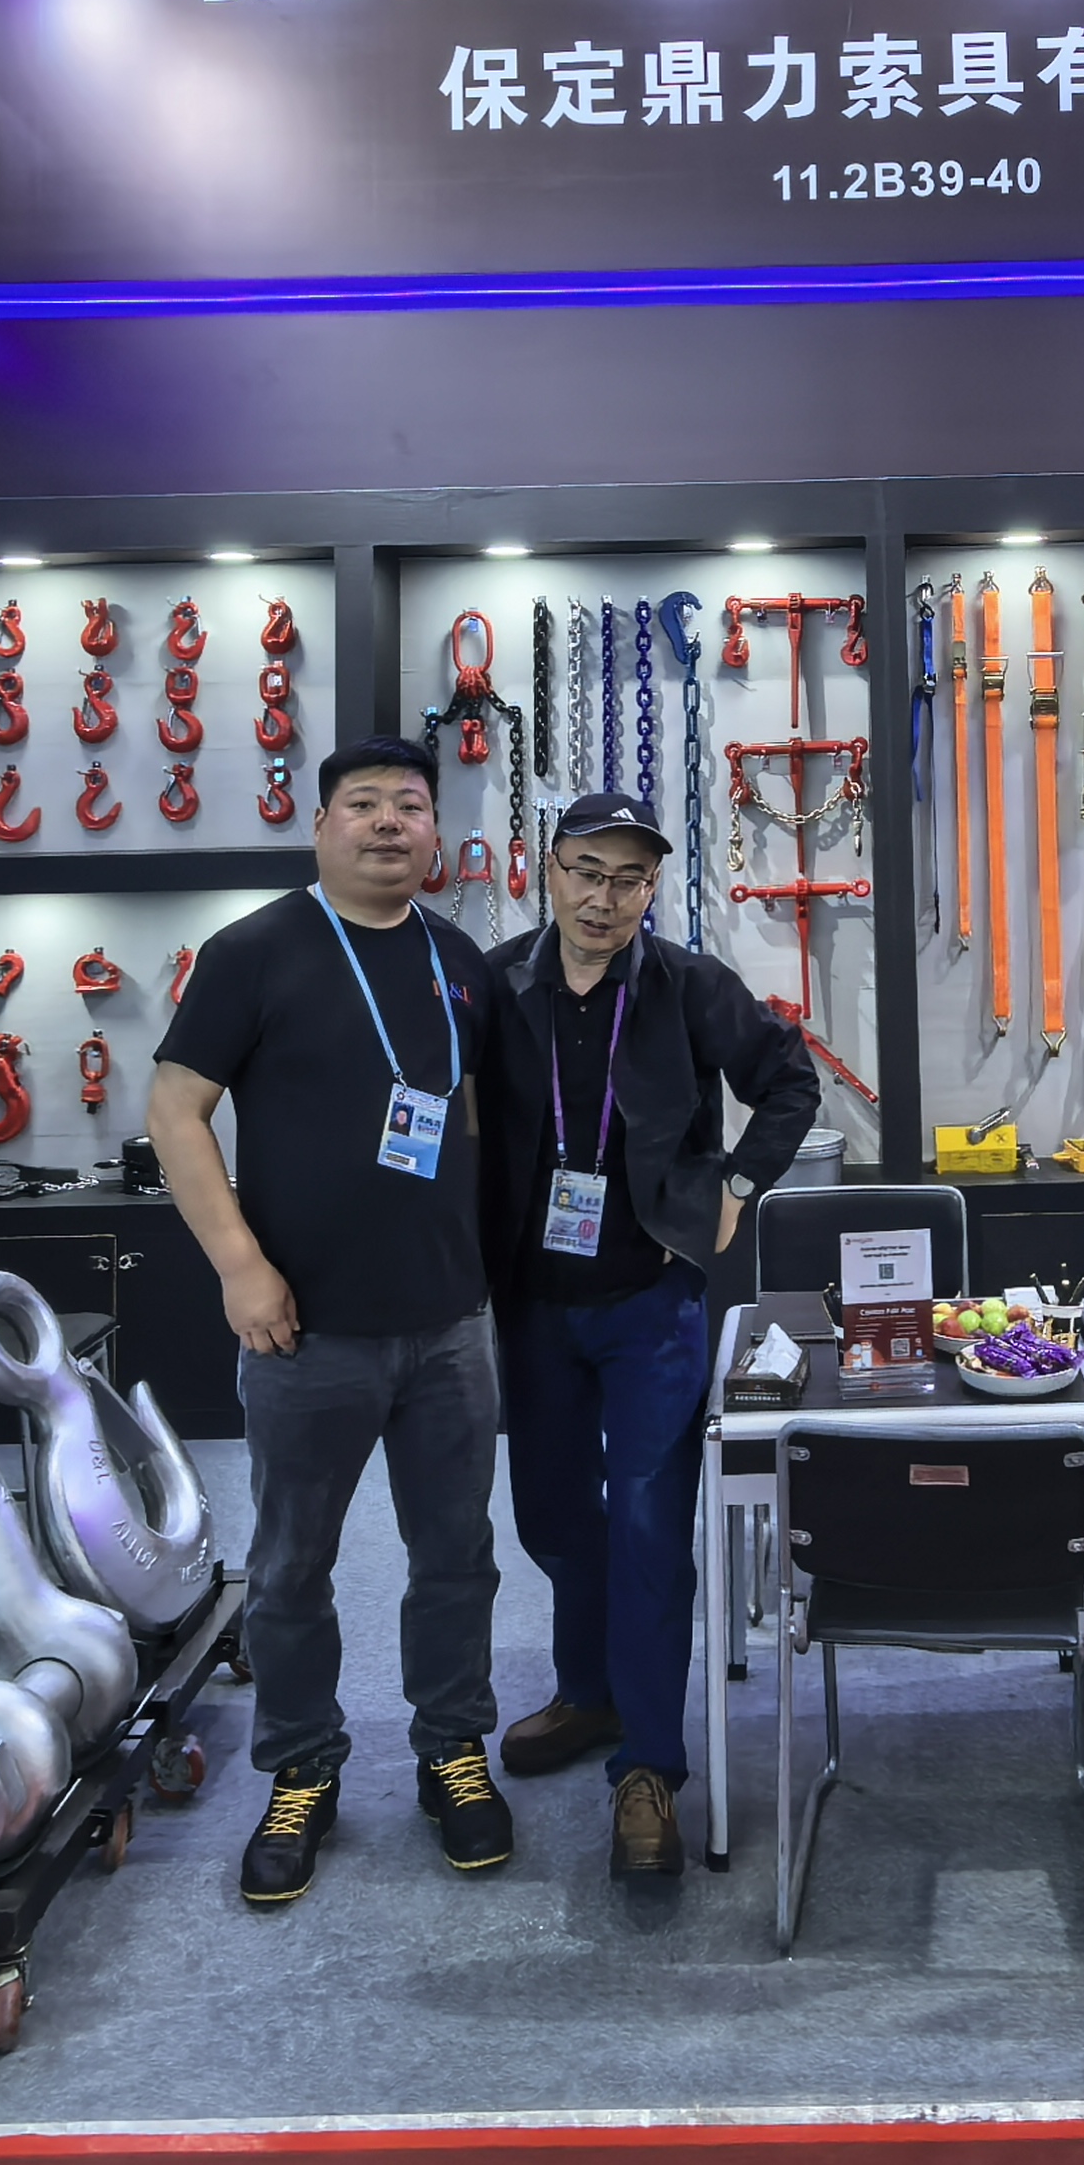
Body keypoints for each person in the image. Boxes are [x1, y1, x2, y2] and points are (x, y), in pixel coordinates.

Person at [148, 736, 515, 1908]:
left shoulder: (460, 961)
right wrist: (238, 1265)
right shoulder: (254, 952)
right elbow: (174, 1110)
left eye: (411, 804)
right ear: (320, 827)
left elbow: (472, 1119)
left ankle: (451, 1749)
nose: (390, 822)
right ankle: (301, 1766)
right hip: (302, 1332)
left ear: (435, 831)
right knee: (291, 1567)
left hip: (448, 1328)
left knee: (455, 1559)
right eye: (364, 804)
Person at [481, 790, 822, 1879]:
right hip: (532, 1305)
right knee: (550, 1517)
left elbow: (790, 1081)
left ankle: (649, 1766)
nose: (604, 897)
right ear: (550, 871)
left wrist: (738, 1183)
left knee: (645, 1528)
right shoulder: (496, 984)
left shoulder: (687, 985)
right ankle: (589, 1695)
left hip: (652, 1305)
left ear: (651, 890)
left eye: (628, 879)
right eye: (586, 872)